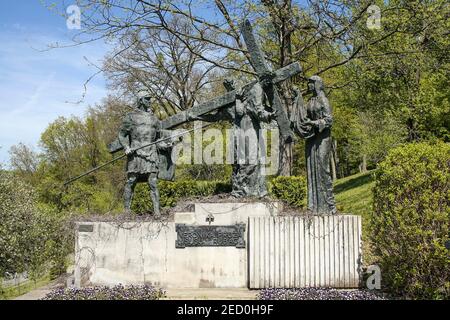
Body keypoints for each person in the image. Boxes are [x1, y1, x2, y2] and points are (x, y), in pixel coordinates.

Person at [118, 94, 173, 216]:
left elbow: (158, 140)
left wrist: (165, 145)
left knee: (153, 182)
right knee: (131, 181)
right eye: (147, 99)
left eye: (150, 99)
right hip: (136, 153)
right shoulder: (130, 117)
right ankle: (126, 211)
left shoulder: (154, 119)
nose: (150, 101)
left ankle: (157, 211)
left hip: (151, 153)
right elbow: (122, 135)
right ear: (141, 100)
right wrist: (126, 147)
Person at [291, 76, 337, 214]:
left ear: (317, 84)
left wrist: (315, 123)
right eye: (308, 83)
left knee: (322, 169)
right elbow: (304, 115)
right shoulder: (311, 100)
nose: (308, 85)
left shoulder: (323, 99)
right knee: (312, 169)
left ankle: (329, 205)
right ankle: (314, 206)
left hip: (323, 138)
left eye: (311, 83)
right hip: (312, 138)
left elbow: (329, 120)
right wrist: (298, 97)